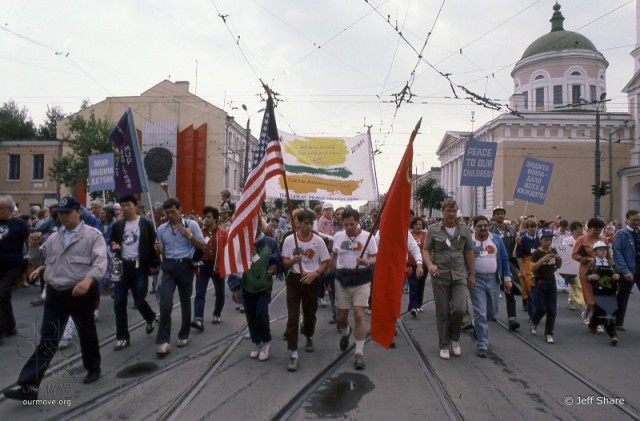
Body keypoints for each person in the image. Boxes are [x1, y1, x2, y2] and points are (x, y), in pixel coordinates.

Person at [4, 196, 107, 401]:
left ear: (78, 212)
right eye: (60, 214)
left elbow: (99, 264)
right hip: (55, 293)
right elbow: (37, 259)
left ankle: (93, 367)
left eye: (67, 213)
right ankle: (29, 385)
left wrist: (87, 281)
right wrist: (33, 247)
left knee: (86, 331)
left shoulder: (92, 236)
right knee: (48, 339)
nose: (63, 217)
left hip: (80, 292)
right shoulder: (54, 237)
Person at [423, 199, 474, 360]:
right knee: (443, 311)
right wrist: (430, 265)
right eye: (448, 211)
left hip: (459, 276)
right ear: (442, 211)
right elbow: (426, 250)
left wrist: (472, 273)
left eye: (454, 211)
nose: (451, 214)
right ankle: (444, 344)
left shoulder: (464, 230)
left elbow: (468, 252)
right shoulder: (433, 229)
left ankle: (455, 339)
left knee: (459, 309)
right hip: (440, 276)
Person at [154, 197, 205, 356]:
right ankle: (163, 341)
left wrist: (190, 236)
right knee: (165, 303)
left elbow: (203, 245)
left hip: (185, 266)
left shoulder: (192, 225)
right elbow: (160, 251)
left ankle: (184, 334)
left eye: (173, 212)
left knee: (185, 302)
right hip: (168, 266)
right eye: (167, 213)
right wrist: (158, 249)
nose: (170, 215)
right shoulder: (162, 229)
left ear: (179, 210)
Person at [281, 210, 330, 372]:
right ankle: (293, 353)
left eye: (311, 223)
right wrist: (294, 260)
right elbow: (285, 262)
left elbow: (325, 261)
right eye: (305, 223)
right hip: (295, 280)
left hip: (312, 280)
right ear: (299, 223)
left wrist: (315, 273)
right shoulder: (290, 240)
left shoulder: (318, 241)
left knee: (310, 314)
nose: (308, 226)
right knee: (293, 317)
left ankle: (309, 335)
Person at [110, 195, 160, 351]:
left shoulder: (145, 223)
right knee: (118, 302)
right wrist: (114, 246)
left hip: (139, 266)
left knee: (139, 300)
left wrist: (154, 264)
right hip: (121, 265)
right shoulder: (118, 225)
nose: (125, 208)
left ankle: (150, 317)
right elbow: (112, 242)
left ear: (135, 206)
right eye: (123, 205)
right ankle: (122, 337)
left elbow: (153, 244)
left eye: (128, 205)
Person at [228, 218, 281, 362]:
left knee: (261, 314)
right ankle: (257, 343)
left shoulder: (270, 242)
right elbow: (234, 266)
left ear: (259, 225)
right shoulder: (240, 244)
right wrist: (235, 287)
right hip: (247, 287)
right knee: (250, 317)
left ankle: (266, 341)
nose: (252, 228)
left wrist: (274, 267)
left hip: (263, 287)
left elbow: (277, 259)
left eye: (254, 225)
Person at [333, 208, 377, 370]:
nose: (349, 228)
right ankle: (346, 332)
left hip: (361, 279)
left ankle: (359, 352)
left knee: (359, 314)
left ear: (358, 222)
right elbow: (334, 257)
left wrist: (366, 262)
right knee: (341, 318)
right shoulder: (338, 237)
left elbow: (375, 257)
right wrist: (329, 277)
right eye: (346, 225)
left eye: (352, 224)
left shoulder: (367, 237)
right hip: (342, 279)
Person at [469, 215, 512, 358]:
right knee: (480, 312)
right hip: (477, 281)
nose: (483, 228)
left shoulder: (496, 239)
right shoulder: (470, 241)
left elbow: (505, 258)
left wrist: (507, 278)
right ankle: (482, 344)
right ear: (474, 227)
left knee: (492, 312)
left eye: (485, 225)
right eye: (480, 226)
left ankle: (477, 323)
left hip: (494, 280)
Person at [192, 206, 228, 329]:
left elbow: (228, 249)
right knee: (200, 292)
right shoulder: (200, 232)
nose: (205, 219)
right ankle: (198, 319)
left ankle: (217, 313)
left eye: (208, 217)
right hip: (203, 266)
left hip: (217, 266)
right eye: (205, 216)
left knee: (220, 293)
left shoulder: (223, 233)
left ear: (215, 219)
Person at [0, 195, 30, 343]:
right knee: (3, 297)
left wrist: (31, 262)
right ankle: (10, 326)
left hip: (12, 265)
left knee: (2, 293)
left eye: (1, 208)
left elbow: (28, 241)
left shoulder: (19, 224)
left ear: (10, 209)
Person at [488, 205, 520, 330]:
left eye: (502, 213)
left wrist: (518, 242)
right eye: (498, 213)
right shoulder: (490, 230)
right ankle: (491, 312)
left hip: (507, 264)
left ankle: (512, 318)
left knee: (510, 290)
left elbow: (515, 249)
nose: (500, 215)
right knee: (492, 292)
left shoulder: (511, 230)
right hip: (494, 264)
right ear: (494, 215)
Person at [572, 217, 607, 326]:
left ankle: (587, 312)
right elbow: (574, 255)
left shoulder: (603, 239)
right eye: (595, 229)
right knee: (590, 294)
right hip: (586, 270)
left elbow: (609, 256)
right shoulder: (582, 239)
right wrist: (587, 259)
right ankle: (595, 322)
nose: (597, 231)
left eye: (600, 229)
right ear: (589, 228)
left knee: (598, 295)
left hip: (601, 271)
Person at [529, 228, 562, 344]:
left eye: (550, 240)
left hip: (551, 281)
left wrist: (558, 259)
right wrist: (543, 259)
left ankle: (549, 332)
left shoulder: (553, 250)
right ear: (541, 240)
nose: (548, 242)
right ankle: (534, 321)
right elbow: (532, 268)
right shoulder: (537, 252)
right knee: (542, 308)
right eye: (546, 240)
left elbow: (558, 266)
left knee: (552, 309)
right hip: (540, 281)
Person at [587, 241, 620, 345]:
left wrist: (617, 277)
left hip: (610, 290)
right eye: (600, 249)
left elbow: (617, 274)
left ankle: (594, 325)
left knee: (606, 310)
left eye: (605, 249)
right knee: (602, 309)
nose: (603, 251)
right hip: (598, 290)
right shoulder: (592, 263)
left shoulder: (611, 263)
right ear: (595, 252)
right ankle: (612, 334)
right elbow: (586, 276)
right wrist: (591, 277)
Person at [612, 209, 640, 331]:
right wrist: (625, 270)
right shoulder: (621, 234)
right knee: (623, 296)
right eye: (634, 220)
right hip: (628, 268)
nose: (636, 222)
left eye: (638, 220)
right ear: (627, 220)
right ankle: (618, 321)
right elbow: (618, 253)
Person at [516, 217, 540, 320]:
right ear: (527, 228)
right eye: (531, 227)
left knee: (534, 287)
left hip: (537, 264)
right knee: (528, 286)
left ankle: (533, 309)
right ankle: (527, 303)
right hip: (526, 264)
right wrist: (521, 269)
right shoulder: (523, 239)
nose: (533, 229)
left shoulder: (539, 239)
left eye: (534, 226)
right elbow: (519, 256)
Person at [561, 221, 585, 311]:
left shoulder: (583, 240)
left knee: (577, 283)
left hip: (581, 265)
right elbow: (563, 251)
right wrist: (569, 247)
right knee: (577, 284)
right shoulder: (567, 240)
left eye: (582, 229)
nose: (581, 231)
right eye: (579, 230)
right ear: (574, 230)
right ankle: (582, 304)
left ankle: (570, 301)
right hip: (570, 267)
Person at [408, 216, 428, 317]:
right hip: (412, 264)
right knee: (413, 285)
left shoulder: (426, 235)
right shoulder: (409, 235)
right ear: (413, 225)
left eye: (420, 225)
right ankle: (413, 306)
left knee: (421, 284)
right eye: (416, 224)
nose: (418, 226)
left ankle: (419, 304)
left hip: (424, 264)